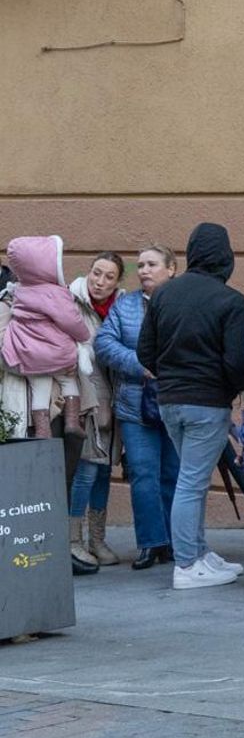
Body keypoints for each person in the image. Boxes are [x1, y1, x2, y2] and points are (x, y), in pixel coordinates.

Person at [137, 223, 244, 590]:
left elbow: (145, 352)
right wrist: (232, 388)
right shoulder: (231, 300)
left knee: (193, 480)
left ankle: (199, 553)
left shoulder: (164, 295)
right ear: (226, 256)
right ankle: (187, 564)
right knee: (192, 482)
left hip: (169, 401)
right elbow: (238, 361)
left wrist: (170, 377)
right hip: (207, 403)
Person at [95, 246, 179, 571]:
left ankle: (174, 541)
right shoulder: (125, 305)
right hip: (134, 404)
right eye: (141, 265)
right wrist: (139, 364)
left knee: (173, 474)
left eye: (152, 264)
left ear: (171, 269)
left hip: (175, 402)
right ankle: (150, 542)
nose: (144, 270)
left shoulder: (182, 302)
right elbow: (104, 344)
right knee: (144, 474)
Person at [66, 252, 125, 572]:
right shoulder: (71, 302)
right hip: (86, 400)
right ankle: (72, 539)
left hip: (115, 402)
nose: (99, 282)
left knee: (104, 471)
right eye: (96, 273)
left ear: (118, 282)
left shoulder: (121, 308)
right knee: (86, 469)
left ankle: (97, 539)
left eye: (108, 277)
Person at [2, 236, 91, 439]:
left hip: (28, 353)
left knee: (39, 389)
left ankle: (43, 430)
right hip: (56, 352)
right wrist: (84, 337)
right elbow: (70, 321)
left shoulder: (20, 290)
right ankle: (72, 422)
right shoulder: (54, 293)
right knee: (69, 381)